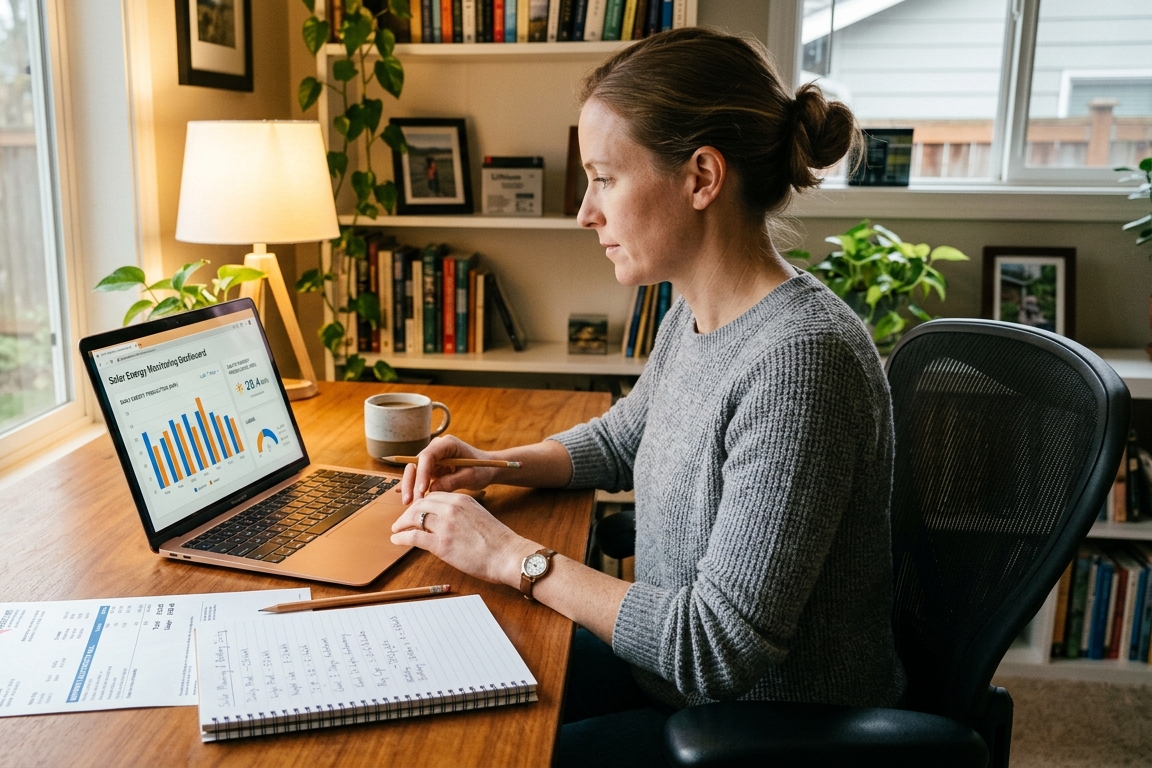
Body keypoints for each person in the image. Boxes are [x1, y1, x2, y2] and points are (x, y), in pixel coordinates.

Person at [388, 27, 908, 767]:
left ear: (701, 177)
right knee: (442, 684)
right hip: (667, 675)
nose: (585, 212)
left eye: (604, 177)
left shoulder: (801, 362)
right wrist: (497, 463)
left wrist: (516, 557)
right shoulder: (695, 313)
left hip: (759, 726)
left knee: (487, 750)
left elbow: (717, 649)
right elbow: (626, 435)